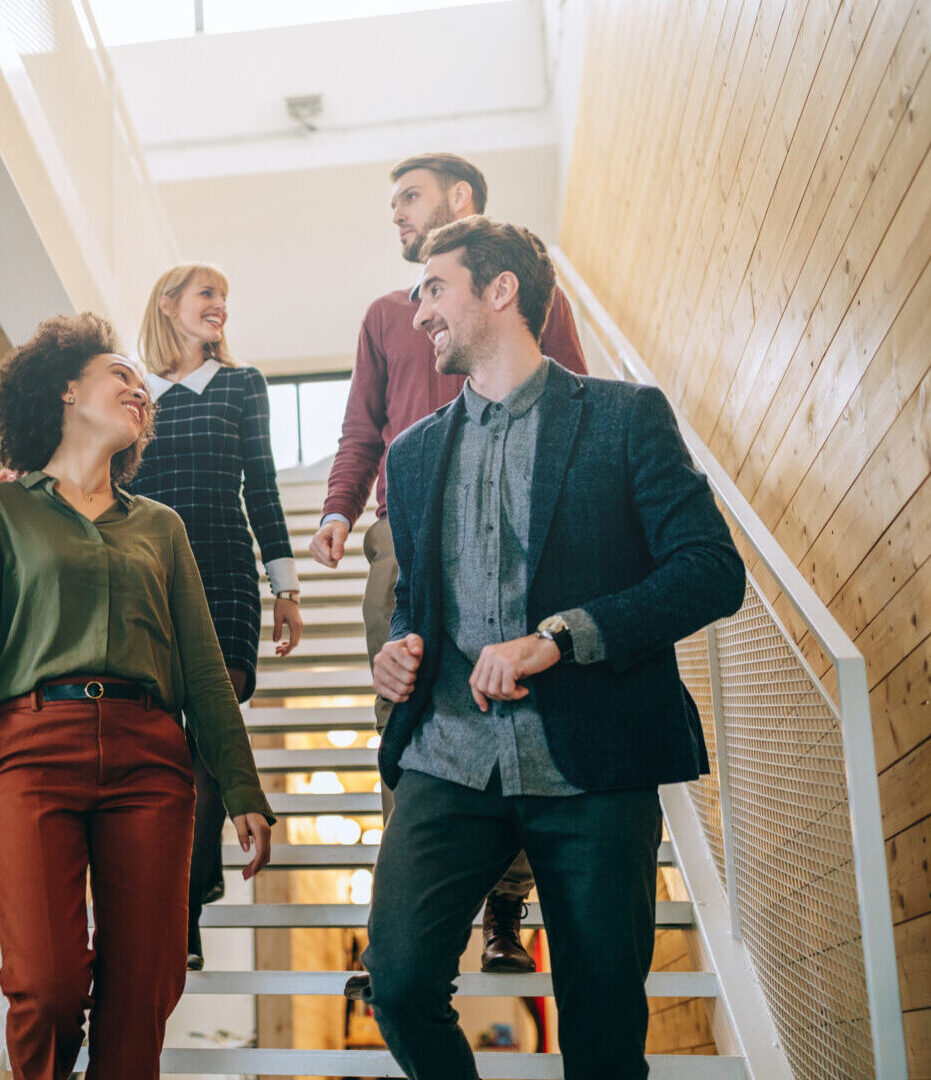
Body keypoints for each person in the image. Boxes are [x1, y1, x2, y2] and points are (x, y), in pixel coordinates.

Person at [362, 216, 744, 1079]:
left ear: (500, 291)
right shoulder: (412, 454)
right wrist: (398, 651)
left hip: (594, 764)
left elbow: (711, 572)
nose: (416, 310)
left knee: (603, 1023)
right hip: (447, 757)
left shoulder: (624, 417)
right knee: (396, 981)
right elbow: (417, 604)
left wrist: (559, 640)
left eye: (434, 288)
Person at [0, 313, 276, 1080]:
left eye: (142, 384)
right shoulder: (0, 512)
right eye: (121, 375)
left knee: (143, 991)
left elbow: (206, 669)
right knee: (46, 986)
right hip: (32, 752)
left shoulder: (161, 527)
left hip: (152, 759)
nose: (138, 389)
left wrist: (241, 786)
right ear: (67, 389)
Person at [309, 152, 589, 977]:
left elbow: (572, 397)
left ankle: (505, 912)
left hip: (522, 535)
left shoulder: (532, 299)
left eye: (409, 198)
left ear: (458, 199)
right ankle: (394, 923)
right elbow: (362, 426)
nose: (395, 213)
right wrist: (337, 506)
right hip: (405, 539)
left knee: (517, 714)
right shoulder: (384, 316)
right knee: (404, 720)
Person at [127, 262, 303, 972]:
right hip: (147, 581)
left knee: (204, 745)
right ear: (167, 304)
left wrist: (284, 585)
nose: (219, 307)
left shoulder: (240, 385)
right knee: (163, 750)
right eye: (207, 295)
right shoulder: (132, 394)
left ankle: (183, 913)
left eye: (224, 298)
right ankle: (177, 894)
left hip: (226, 575)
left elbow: (260, 484)